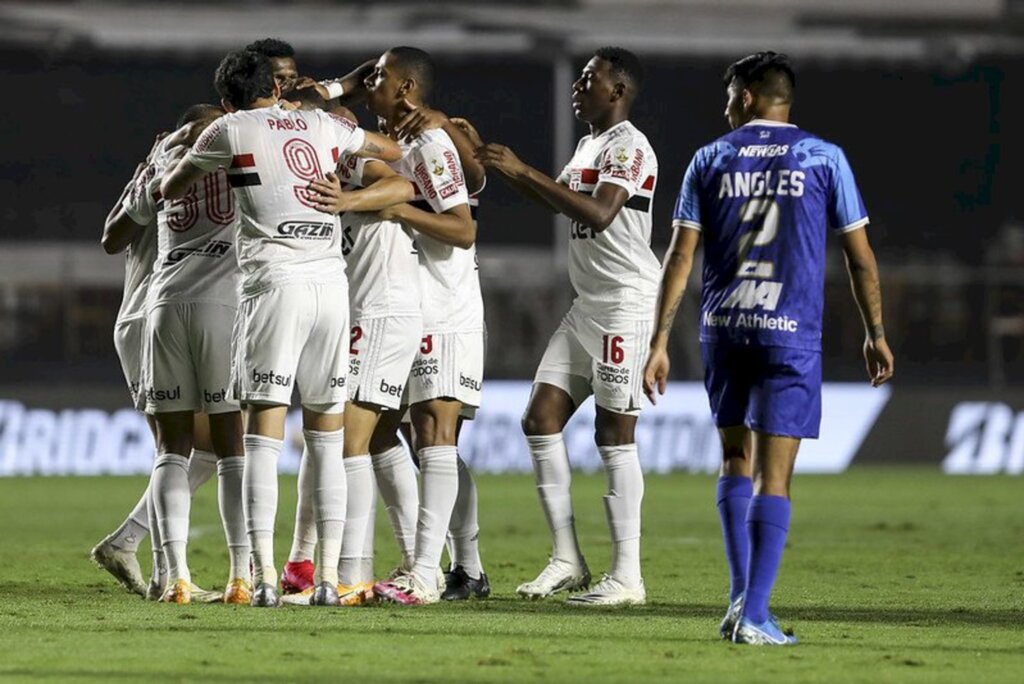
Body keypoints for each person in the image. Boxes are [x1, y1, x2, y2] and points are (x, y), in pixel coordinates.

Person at [643, 51, 894, 644]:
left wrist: (659, 340)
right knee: (774, 479)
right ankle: (755, 613)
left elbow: (681, 255)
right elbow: (860, 257)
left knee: (735, 460)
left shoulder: (709, 159)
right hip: (790, 334)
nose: (725, 107)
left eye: (730, 96)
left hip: (724, 329)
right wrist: (875, 333)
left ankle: (739, 601)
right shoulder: (824, 158)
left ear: (750, 97)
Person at [161, 49, 402, 607]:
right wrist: (345, 180)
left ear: (229, 98)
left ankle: (263, 576)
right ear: (277, 84)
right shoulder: (323, 124)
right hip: (330, 290)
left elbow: (172, 186)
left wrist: (198, 162)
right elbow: (390, 151)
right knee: (327, 438)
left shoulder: (230, 127)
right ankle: (323, 581)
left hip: (274, 287)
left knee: (261, 438)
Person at [476, 47, 657, 606]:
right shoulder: (588, 146)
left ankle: (627, 576)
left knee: (613, 434)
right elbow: (555, 200)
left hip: (625, 303)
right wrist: (501, 164)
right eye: (579, 77)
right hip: (587, 305)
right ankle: (567, 559)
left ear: (618, 91)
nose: (579, 85)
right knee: (539, 417)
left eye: (590, 78)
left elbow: (599, 212)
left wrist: (524, 169)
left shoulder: (629, 145)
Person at [355, 47, 484, 606]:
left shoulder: (431, 142)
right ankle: (447, 566)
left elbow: (462, 229)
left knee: (435, 433)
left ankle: (427, 573)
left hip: (443, 304)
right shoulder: (397, 140)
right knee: (389, 430)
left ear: (405, 86)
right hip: (400, 304)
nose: (369, 81)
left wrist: (396, 209)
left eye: (379, 75)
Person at [91, 114, 224, 604]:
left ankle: (136, 549)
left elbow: (111, 237)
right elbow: (111, 238)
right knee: (183, 446)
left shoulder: (171, 168)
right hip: (158, 315)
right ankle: (166, 574)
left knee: (203, 447)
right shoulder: (180, 168)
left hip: (161, 314)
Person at [130, 104, 252, 605]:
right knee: (231, 446)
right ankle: (241, 576)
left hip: (165, 303)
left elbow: (119, 229)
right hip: (221, 305)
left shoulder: (164, 160)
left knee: (171, 448)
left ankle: (176, 575)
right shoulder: (234, 155)